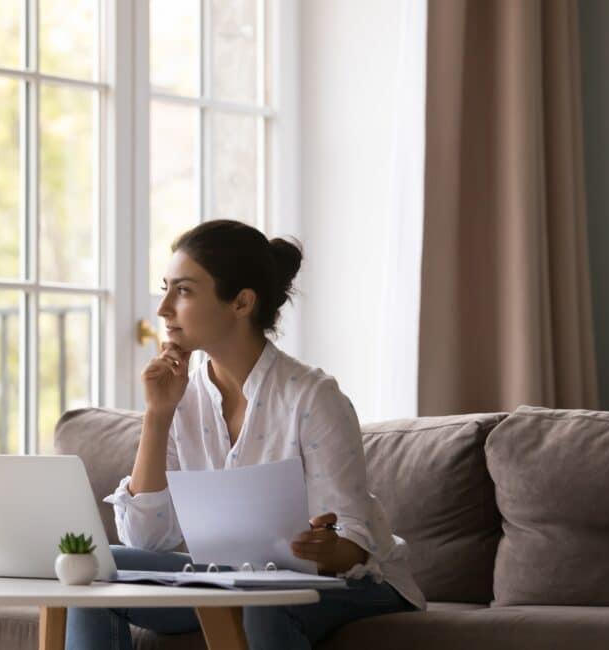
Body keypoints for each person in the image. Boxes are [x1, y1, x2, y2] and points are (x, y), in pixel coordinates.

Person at [66, 220, 424, 650]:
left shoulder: (313, 397)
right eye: (166, 288)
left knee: (264, 600)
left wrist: (322, 547)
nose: (162, 308)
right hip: (233, 579)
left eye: (183, 290)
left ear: (241, 302)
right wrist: (157, 415)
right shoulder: (181, 396)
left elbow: (351, 546)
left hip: (361, 583)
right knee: (94, 569)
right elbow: (146, 540)